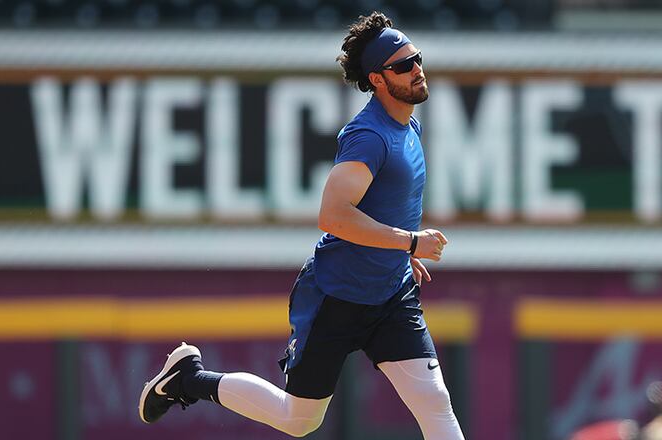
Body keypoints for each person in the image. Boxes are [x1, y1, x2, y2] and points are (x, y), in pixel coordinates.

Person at [138, 11, 465, 440]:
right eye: (403, 65)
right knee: (300, 420)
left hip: (391, 294)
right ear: (378, 79)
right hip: (338, 296)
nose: (417, 69)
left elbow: (389, 202)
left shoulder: (408, 125)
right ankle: (187, 379)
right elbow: (333, 214)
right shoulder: (368, 136)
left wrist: (398, 253)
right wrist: (407, 243)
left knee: (435, 403)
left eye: (417, 58)